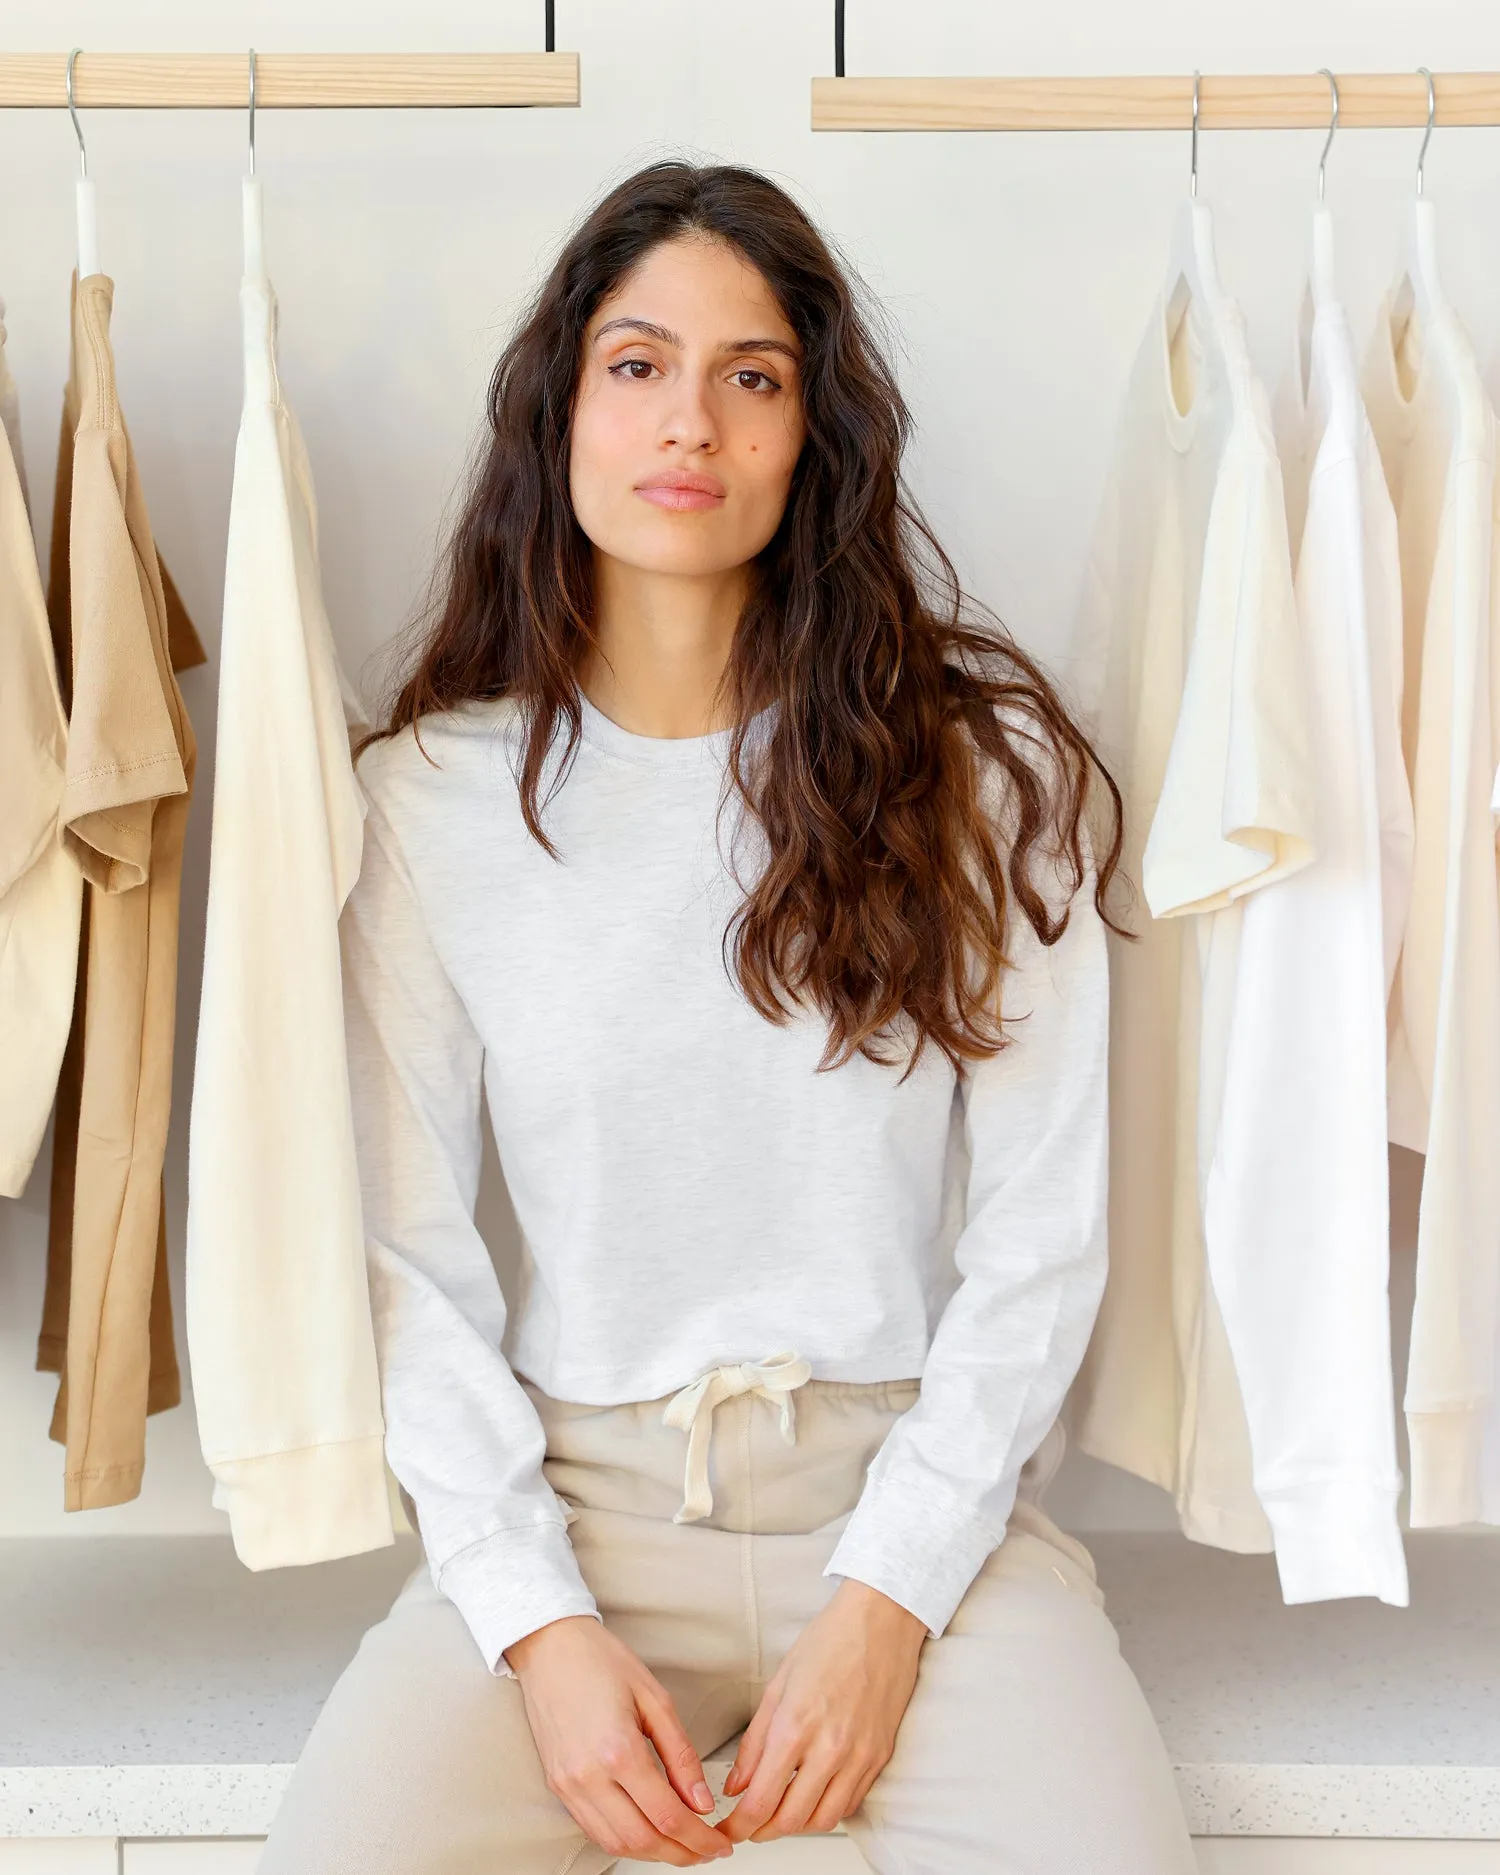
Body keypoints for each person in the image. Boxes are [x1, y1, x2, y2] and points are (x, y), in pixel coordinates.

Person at [258, 159, 1197, 1874]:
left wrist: (888, 1600)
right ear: (561, 410)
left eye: (751, 376)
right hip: (588, 1508)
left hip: (920, 1498)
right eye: (638, 364)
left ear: (810, 433)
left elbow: (1044, 1236)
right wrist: (537, 1629)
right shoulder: (427, 807)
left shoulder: (982, 778)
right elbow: (406, 1265)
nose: (690, 419)